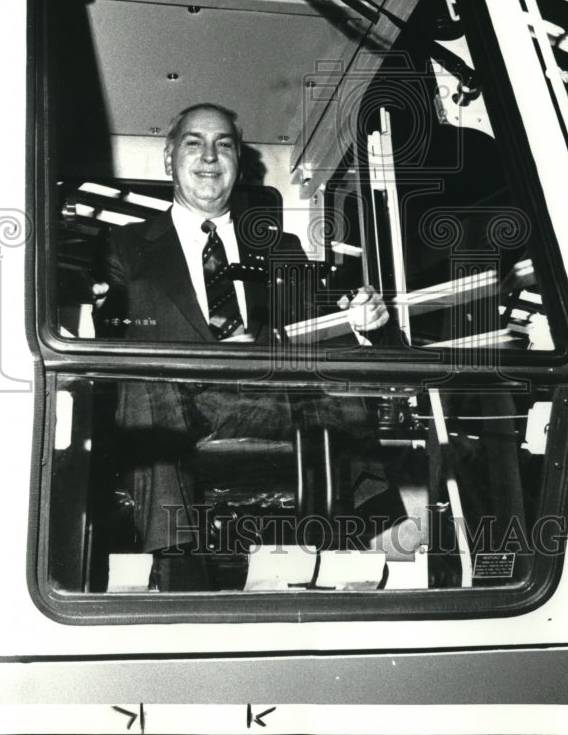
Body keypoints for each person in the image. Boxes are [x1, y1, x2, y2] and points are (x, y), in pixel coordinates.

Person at [92, 103, 395, 589]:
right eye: (194, 143)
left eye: (224, 145)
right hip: (179, 399)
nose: (210, 157)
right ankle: (178, 565)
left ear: (236, 163)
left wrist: (363, 325)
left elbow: (320, 331)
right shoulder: (123, 246)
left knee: (330, 371)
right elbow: (111, 326)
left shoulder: (282, 248)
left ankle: (352, 541)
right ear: (170, 159)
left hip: (268, 398)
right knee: (143, 377)